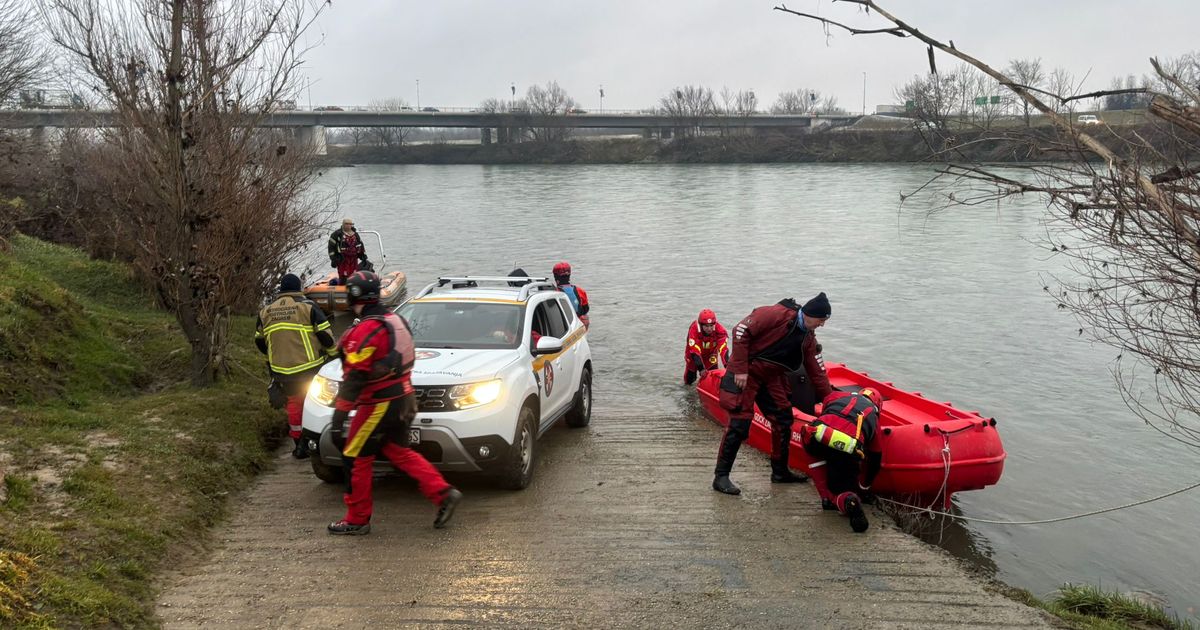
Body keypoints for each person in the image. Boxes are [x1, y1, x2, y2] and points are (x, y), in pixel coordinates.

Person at [327, 270, 462, 535]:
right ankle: (442, 492)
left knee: (355, 458)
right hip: (404, 398)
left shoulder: (366, 328)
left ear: (353, 295)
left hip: (377, 404)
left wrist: (339, 416)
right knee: (399, 452)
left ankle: (356, 519)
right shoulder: (395, 319)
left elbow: (355, 376)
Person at [713, 292, 834, 495]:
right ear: (810, 314)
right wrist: (741, 368)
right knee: (740, 423)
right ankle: (721, 476)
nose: (822, 325)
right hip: (747, 370)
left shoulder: (808, 339)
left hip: (770, 376)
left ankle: (779, 473)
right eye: (821, 320)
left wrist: (831, 401)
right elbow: (740, 330)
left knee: (783, 419)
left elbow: (817, 372)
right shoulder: (776, 315)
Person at [255, 273, 335, 459]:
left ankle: (299, 445)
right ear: (299, 288)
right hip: (310, 368)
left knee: (294, 404)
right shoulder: (308, 307)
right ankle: (313, 442)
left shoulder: (266, 311)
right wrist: (334, 355)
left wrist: (273, 356)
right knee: (314, 403)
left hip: (282, 371)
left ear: (281, 290)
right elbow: (326, 336)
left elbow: (259, 341)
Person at [799, 387, 884, 533]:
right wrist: (864, 487)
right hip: (847, 448)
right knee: (842, 491)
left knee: (812, 445)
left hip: (819, 435)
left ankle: (825, 497)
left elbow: (825, 407)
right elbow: (875, 458)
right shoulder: (874, 418)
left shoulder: (837, 396)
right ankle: (849, 500)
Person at [684, 309, 730, 385]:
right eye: (706, 326)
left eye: (711, 326)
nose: (709, 329)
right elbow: (694, 351)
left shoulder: (720, 331)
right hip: (693, 355)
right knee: (690, 379)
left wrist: (727, 367)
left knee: (713, 376)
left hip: (710, 354)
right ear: (701, 325)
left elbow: (723, 350)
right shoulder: (694, 330)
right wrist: (701, 368)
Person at [327, 217, 368, 285]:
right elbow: (331, 247)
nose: (348, 225)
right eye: (346, 224)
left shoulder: (355, 234)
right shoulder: (337, 234)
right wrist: (333, 259)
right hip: (342, 258)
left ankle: (354, 287)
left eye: (350, 224)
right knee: (343, 275)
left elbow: (360, 245)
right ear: (343, 224)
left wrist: (363, 255)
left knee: (354, 275)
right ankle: (342, 287)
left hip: (354, 258)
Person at [552, 261, 590, 328]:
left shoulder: (553, 293)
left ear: (555, 276)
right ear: (569, 274)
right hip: (578, 325)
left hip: (563, 327)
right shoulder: (581, 291)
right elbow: (586, 309)